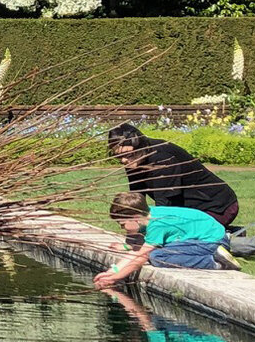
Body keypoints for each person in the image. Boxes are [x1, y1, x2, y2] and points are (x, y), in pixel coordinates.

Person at [93, 191, 239, 290]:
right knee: (159, 252)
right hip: (209, 236)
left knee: (158, 257)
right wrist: (112, 271)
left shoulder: (157, 224)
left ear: (135, 218)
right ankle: (217, 254)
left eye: (123, 224)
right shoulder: (149, 215)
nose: (123, 228)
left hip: (212, 240)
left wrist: (115, 278)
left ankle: (215, 262)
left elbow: (141, 257)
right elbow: (137, 250)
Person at [107, 123, 238, 228]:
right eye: (119, 156)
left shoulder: (163, 160)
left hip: (217, 207)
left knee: (178, 243)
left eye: (128, 155)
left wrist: (151, 230)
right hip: (189, 210)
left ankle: (227, 237)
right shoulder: (135, 158)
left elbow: (165, 205)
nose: (124, 160)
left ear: (140, 146)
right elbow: (137, 195)